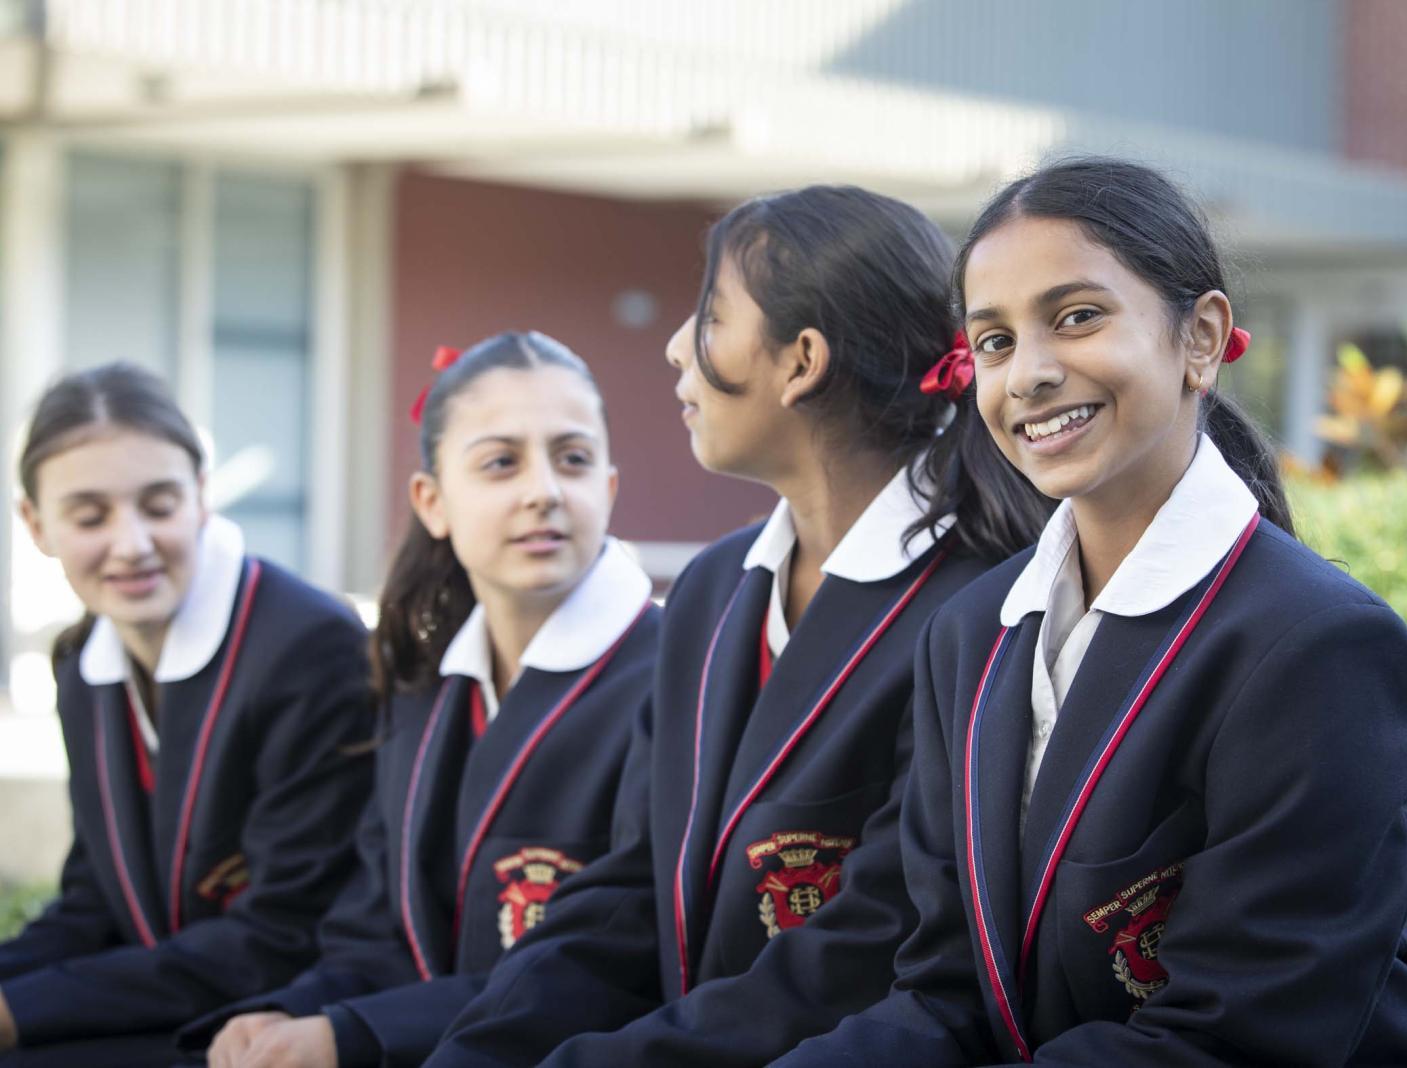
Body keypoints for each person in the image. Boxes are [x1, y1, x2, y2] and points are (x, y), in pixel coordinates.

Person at [777, 157, 1407, 1066]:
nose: (1028, 375)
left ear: (1200, 338)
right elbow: (946, 991)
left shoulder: (1319, 646)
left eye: (1076, 317)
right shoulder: (970, 634)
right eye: (994, 341)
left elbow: (1235, 1039)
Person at [423, 185, 1051, 1067]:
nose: (677, 346)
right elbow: (633, 888)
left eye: (710, 317)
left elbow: (862, 953)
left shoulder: (980, 608)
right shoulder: (713, 589)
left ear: (802, 363)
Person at [189, 331, 662, 1068]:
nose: (543, 490)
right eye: (501, 462)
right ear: (432, 502)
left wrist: (351, 1033)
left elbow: (621, 959)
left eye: (572, 458)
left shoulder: (675, 677)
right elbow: (375, 928)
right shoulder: (423, 687)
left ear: (607, 488)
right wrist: (292, 1012)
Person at [0, 363, 374, 1067]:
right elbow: (93, 902)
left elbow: (284, 933)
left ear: (201, 496)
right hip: (168, 1002)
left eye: (160, 505)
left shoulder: (309, 648)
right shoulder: (81, 662)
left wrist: (20, 1011)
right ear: (35, 524)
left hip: (274, 1022)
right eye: (90, 517)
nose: (132, 543)